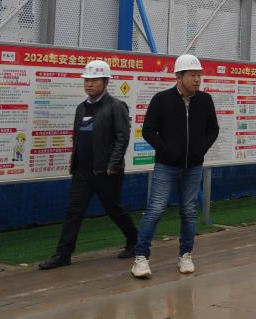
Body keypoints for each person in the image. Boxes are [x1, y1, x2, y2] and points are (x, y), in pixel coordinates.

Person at [38, 60, 138, 270]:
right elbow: (77, 136)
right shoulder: (81, 108)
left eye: (94, 80)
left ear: (105, 82)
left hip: (106, 171)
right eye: (86, 80)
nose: (89, 84)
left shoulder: (116, 106)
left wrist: (113, 164)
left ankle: (134, 241)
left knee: (114, 209)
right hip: (82, 172)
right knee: (73, 212)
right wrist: (73, 159)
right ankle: (63, 254)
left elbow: (122, 137)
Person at [131, 54, 219, 278]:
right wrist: (166, 150)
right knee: (156, 209)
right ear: (179, 77)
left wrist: (201, 149)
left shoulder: (205, 101)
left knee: (188, 211)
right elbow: (148, 130)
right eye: (192, 75)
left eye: (199, 75)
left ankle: (185, 255)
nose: (197, 79)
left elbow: (213, 129)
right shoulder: (161, 99)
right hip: (166, 166)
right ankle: (141, 257)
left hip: (194, 167)